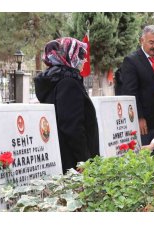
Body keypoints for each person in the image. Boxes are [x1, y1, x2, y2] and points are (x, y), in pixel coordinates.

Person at [34, 37, 99, 173]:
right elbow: (72, 127)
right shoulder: (68, 83)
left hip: (64, 155)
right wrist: (84, 160)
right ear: (69, 56)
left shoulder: (56, 79)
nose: (84, 60)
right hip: (74, 162)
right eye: (81, 55)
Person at [118, 25, 154, 146]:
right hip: (144, 122)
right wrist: (139, 117)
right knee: (145, 157)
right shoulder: (131, 61)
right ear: (141, 41)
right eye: (151, 42)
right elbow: (130, 92)